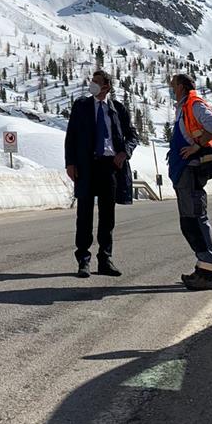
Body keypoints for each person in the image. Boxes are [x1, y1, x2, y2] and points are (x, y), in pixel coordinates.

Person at [64, 68, 139, 278]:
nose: (92, 84)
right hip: (86, 166)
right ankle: (83, 260)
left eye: (97, 81)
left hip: (109, 167)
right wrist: (70, 163)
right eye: (92, 81)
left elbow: (132, 135)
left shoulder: (118, 109)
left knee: (108, 216)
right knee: (84, 214)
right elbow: (71, 137)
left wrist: (125, 152)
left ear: (106, 87)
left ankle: (105, 259)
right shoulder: (81, 106)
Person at [167, 73, 212, 291]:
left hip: (191, 170)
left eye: (173, 85)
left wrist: (196, 145)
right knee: (190, 221)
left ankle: (209, 273)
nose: (172, 89)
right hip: (185, 171)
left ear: (182, 87)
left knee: (194, 220)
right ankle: (204, 269)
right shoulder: (184, 108)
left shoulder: (194, 104)